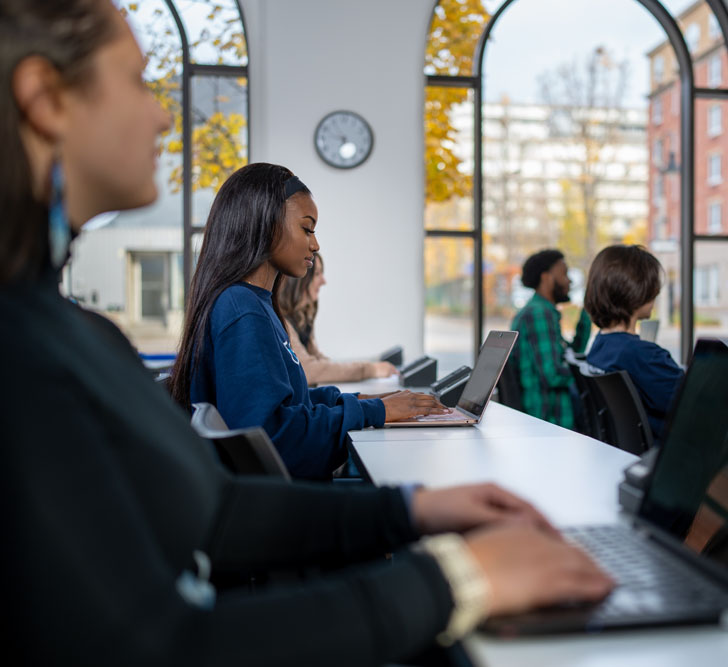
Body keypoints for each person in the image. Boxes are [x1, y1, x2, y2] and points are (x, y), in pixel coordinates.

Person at [0, 2, 614, 662]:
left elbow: (220, 512)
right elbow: (158, 645)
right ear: (46, 98)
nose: (160, 112)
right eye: (139, 81)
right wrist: (462, 578)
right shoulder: (23, 353)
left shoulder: (68, 328)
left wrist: (415, 509)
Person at [169, 162, 445, 480]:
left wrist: (370, 401)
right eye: (306, 228)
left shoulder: (251, 303)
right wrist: (375, 411)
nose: (315, 244)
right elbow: (280, 442)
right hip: (289, 506)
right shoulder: (243, 311)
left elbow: (289, 403)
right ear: (266, 223)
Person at [584, 245, 684, 441]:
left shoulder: (600, 346)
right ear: (637, 290)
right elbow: (694, 404)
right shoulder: (643, 355)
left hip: (623, 455)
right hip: (664, 457)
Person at [277, 251, 398, 385]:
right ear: (299, 280)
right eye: (317, 274)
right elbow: (310, 370)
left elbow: (319, 361)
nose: (323, 281)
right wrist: (370, 370)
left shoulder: (301, 318)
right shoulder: (283, 322)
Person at [510, 249, 592, 429]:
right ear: (546, 278)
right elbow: (553, 375)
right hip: (549, 419)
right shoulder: (540, 314)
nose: (569, 281)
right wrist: (591, 377)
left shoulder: (538, 311)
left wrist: (586, 315)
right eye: (564, 274)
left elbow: (568, 354)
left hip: (546, 417)